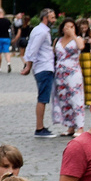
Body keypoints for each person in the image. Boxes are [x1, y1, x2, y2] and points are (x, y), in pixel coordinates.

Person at [22, 8, 57, 136]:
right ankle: (39, 128)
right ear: (45, 18)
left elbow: (29, 48)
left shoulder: (38, 30)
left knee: (43, 98)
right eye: (52, 18)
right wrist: (28, 66)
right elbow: (33, 50)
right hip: (44, 67)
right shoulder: (42, 32)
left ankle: (40, 126)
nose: (54, 20)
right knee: (43, 98)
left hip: (42, 67)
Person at [52, 20, 88, 137]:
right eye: (66, 26)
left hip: (73, 71)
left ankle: (80, 126)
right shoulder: (58, 40)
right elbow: (53, 54)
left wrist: (73, 34)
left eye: (71, 26)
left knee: (76, 98)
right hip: (60, 72)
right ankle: (70, 126)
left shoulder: (77, 39)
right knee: (64, 99)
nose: (68, 29)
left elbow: (81, 46)